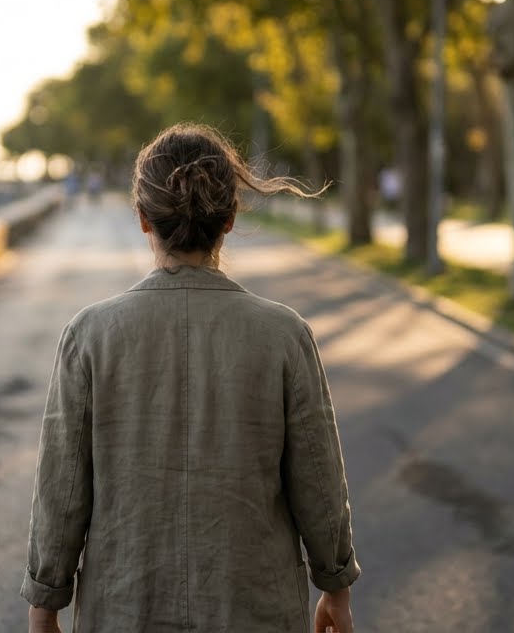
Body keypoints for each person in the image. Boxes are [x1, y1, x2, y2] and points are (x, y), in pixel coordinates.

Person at [20, 124, 360, 633]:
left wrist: (45, 601)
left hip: (125, 605)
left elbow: (63, 489)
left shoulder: (90, 334)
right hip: (253, 606)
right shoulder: (284, 333)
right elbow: (319, 478)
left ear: (142, 220)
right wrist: (335, 586)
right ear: (229, 218)